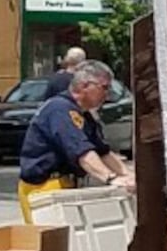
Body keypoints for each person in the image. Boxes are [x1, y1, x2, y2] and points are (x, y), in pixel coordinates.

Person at [18, 60, 124, 205]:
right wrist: (111, 178)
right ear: (84, 86)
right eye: (104, 87)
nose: (108, 94)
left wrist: (128, 175)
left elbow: (102, 152)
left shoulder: (83, 114)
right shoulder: (59, 109)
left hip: (66, 183)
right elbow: (81, 151)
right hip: (44, 187)